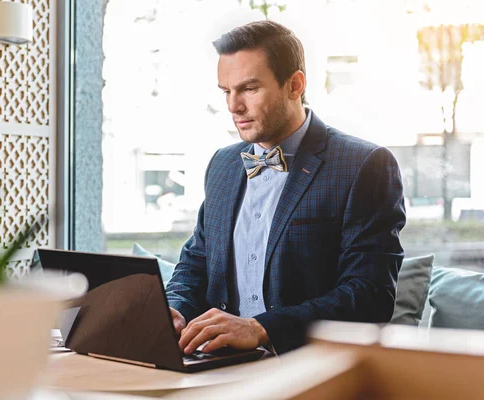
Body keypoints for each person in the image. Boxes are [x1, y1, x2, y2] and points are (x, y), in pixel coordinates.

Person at [166, 20, 406, 355]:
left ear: (294, 85)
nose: (233, 106)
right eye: (226, 91)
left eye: (249, 89)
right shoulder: (222, 164)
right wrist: (173, 310)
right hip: (215, 364)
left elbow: (369, 295)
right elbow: (196, 263)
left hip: (307, 367)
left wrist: (260, 328)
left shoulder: (365, 164)